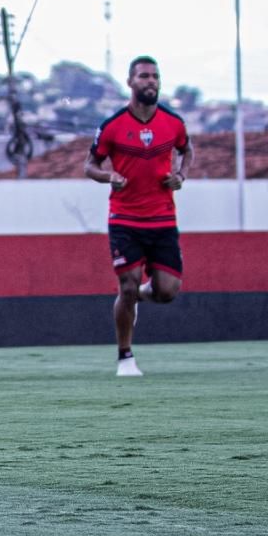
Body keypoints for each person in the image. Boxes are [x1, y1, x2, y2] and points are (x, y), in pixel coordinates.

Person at [84, 56, 193, 377]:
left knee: (167, 291)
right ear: (131, 82)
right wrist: (109, 177)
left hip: (162, 219)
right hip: (125, 219)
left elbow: (188, 150)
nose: (151, 82)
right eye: (144, 76)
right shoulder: (113, 125)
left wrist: (181, 176)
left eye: (155, 76)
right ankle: (125, 357)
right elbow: (89, 165)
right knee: (126, 287)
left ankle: (139, 297)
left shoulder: (173, 123)